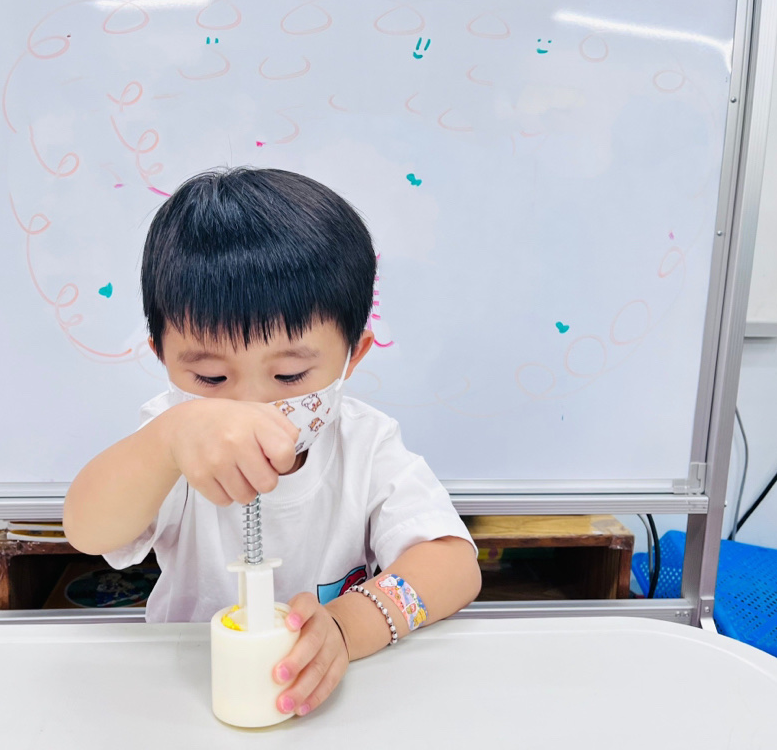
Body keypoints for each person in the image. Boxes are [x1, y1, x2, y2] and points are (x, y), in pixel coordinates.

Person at [64, 167, 481, 718]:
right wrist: (166, 442)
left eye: (289, 376)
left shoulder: (365, 443)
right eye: (211, 378)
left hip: (334, 702)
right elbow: (89, 530)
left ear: (352, 357)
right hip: (190, 694)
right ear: (161, 355)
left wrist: (348, 626)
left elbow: (453, 564)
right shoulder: (171, 439)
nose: (250, 406)